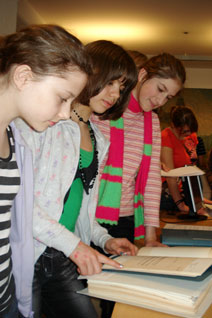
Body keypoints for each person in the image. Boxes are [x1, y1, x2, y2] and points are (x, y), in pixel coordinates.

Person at [14, 40, 138, 318]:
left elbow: (82, 208)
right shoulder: (43, 123)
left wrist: (104, 239)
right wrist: (76, 247)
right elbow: (20, 205)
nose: (115, 94)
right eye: (110, 83)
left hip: (63, 255)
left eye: (121, 87)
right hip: (26, 254)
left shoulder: (99, 139)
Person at [0, 24, 92, 318]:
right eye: (63, 97)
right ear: (24, 76)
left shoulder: (14, 142)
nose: (66, 113)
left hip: (8, 296)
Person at [91, 53, 186, 318]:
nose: (159, 100)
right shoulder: (104, 109)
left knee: (118, 299)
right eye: (160, 89)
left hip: (124, 220)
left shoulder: (152, 121)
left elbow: (152, 181)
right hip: (88, 219)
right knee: (78, 291)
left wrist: (152, 237)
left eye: (167, 97)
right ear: (143, 74)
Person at [160, 106, 199, 212]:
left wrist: (200, 198)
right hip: (170, 194)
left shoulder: (191, 137)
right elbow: (170, 175)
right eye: (185, 131)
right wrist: (180, 204)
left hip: (186, 190)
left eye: (190, 130)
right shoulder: (166, 137)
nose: (188, 134)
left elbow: (193, 169)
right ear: (173, 125)